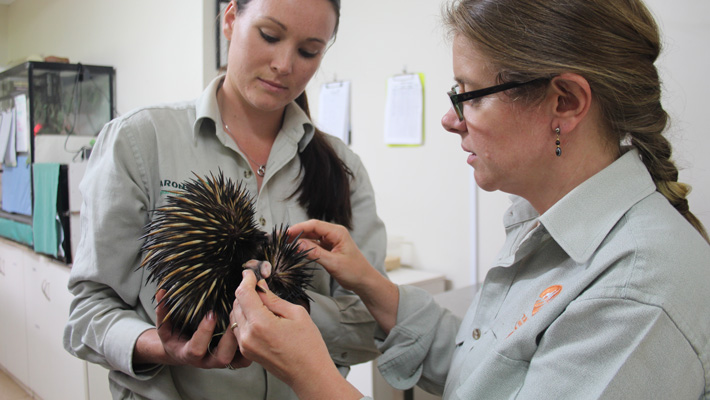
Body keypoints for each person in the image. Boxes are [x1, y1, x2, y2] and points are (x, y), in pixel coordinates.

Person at [228, 0, 710, 398]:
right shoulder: (539, 229)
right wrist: (375, 287)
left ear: (565, 101)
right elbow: (477, 370)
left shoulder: (635, 295)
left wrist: (312, 375)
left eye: (471, 95)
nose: (450, 119)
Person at [62, 0, 388, 398]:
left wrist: (290, 310)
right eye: (269, 35)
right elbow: (88, 313)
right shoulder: (139, 141)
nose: (284, 65)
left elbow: (374, 320)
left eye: (308, 51)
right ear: (231, 19)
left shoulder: (342, 167)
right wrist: (162, 347)